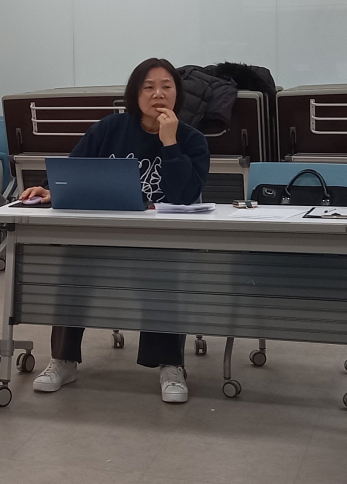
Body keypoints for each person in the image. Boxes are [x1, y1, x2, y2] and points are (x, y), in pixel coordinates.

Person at [18, 57, 211, 403]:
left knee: (163, 272)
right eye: (148, 87)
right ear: (134, 94)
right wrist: (49, 189)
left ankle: (170, 365)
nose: (157, 94)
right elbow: (74, 169)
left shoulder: (191, 139)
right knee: (72, 266)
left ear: (177, 94)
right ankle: (64, 359)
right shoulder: (110, 128)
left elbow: (185, 196)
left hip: (159, 240)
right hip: (105, 233)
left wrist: (170, 143)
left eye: (166, 86)